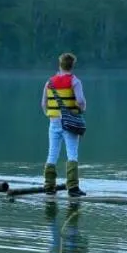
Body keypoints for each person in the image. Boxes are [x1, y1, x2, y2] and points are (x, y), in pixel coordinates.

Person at [40, 51, 86, 197]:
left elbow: (43, 104)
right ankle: (72, 187)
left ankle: (49, 186)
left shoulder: (50, 82)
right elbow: (80, 101)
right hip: (70, 122)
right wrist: (82, 109)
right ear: (72, 66)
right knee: (72, 153)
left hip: (53, 121)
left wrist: (50, 115)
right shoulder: (74, 81)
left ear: (60, 65)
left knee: (52, 153)